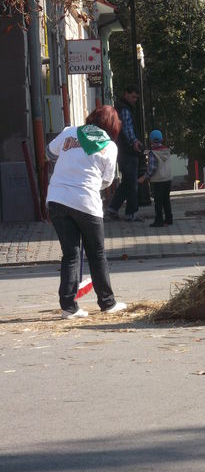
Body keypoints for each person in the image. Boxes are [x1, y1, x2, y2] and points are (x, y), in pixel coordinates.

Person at [46, 106, 127, 319]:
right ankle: (107, 303)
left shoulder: (70, 131)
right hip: (86, 202)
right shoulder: (108, 146)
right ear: (112, 126)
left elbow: (50, 151)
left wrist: (69, 164)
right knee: (96, 253)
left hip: (56, 198)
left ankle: (68, 307)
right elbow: (108, 180)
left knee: (71, 254)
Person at [106, 86, 144, 221]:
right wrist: (134, 141)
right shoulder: (125, 109)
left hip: (122, 150)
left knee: (127, 181)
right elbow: (127, 127)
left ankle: (112, 208)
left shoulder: (120, 107)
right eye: (133, 96)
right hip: (127, 151)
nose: (135, 100)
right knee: (132, 182)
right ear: (126, 94)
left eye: (136, 98)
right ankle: (131, 213)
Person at [138, 130, 173, 228]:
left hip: (158, 180)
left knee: (158, 202)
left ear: (150, 140)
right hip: (168, 178)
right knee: (166, 200)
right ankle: (169, 219)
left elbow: (152, 168)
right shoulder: (166, 150)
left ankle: (159, 220)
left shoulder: (153, 153)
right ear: (162, 139)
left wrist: (144, 177)